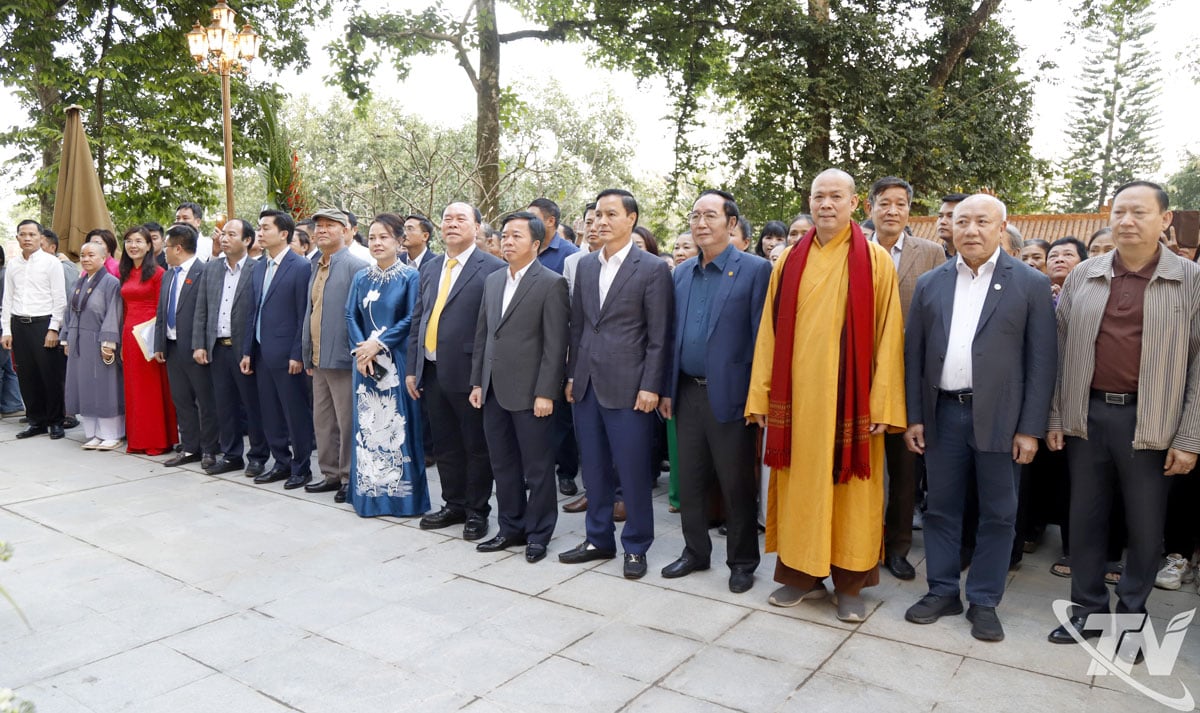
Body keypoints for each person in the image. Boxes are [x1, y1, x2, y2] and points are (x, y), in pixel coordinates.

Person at [1046, 181, 1200, 656]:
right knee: (1085, 521)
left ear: (1165, 220)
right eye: (1119, 212)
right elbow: (1060, 347)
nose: (1127, 221)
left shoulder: (1190, 280)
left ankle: (1131, 622)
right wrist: (1055, 416)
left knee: (1145, 528)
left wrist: (1189, 435)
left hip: (1152, 420)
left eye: (1139, 212)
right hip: (1088, 415)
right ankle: (1087, 612)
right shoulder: (1085, 275)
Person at [746, 169, 906, 622]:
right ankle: (801, 576)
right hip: (797, 402)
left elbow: (889, 337)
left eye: (837, 196)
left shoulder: (875, 261)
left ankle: (850, 583)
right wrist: (761, 396)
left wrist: (883, 403)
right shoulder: (788, 260)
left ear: (854, 204)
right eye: (819, 196)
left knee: (851, 494)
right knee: (800, 490)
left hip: (851, 403)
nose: (826, 204)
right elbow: (768, 336)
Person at [902, 194, 1056, 642]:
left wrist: (1030, 428)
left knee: (999, 513)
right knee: (941, 509)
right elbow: (913, 357)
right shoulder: (932, 283)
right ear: (948, 227)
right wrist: (915, 417)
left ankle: (985, 600)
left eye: (981, 221)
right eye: (962, 221)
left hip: (1002, 420)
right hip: (943, 414)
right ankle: (943, 590)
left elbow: (1042, 361)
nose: (970, 229)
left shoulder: (1028, 283)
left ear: (1002, 227)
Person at [659, 189, 771, 593]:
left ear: (731, 224)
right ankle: (695, 551)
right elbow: (672, 336)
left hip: (733, 396)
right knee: (689, 478)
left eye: (710, 215)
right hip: (686, 391)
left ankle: (742, 561)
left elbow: (763, 338)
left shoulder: (755, 270)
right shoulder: (682, 272)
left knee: (736, 483)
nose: (700, 223)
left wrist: (759, 396)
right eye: (695, 216)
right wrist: (667, 387)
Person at [560, 188, 673, 580]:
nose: (601, 222)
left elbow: (659, 335)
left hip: (631, 387)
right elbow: (578, 328)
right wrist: (572, 375)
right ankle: (598, 539)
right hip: (587, 384)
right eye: (597, 215)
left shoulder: (653, 268)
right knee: (592, 469)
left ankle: (637, 545)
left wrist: (651, 385)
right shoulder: (586, 266)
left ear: (631, 219)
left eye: (611, 214)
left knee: (633, 470)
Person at [469, 211, 570, 562]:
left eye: (517, 236)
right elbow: (484, 336)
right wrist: (478, 381)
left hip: (531, 393)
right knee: (503, 463)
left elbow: (555, 345)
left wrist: (546, 392)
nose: (507, 242)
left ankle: (539, 533)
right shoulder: (494, 280)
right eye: (505, 236)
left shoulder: (551, 283)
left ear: (537, 244)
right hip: (493, 389)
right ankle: (510, 527)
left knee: (538, 468)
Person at [406, 202, 505, 540]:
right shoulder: (431, 267)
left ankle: (477, 511)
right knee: (446, 444)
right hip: (433, 370)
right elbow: (419, 317)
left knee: (475, 446)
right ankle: (454, 503)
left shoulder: (492, 267)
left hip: (470, 372)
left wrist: (482, 376)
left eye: (461, 218)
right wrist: (412, 367)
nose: (452, 224)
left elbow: (494, 328)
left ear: (477, 227)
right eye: (447, 218)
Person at [865, 176, 947, 581]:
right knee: (859, 466)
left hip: (908, 377)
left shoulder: (931, 253)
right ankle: (862, 543)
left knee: (903, 469)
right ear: (870, 209)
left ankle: (897, 548)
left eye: (900, 204)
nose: (892, 210)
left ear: (909, 211)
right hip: (859, 378)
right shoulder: (853, 249)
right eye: (884, 203)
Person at [347, 213, 429, 517]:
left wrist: (378, 344)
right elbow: (349, 316)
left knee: (398, 427)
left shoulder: (410, 276)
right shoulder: (360, 277)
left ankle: (402, 498)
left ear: (399, 241)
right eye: (372, 237)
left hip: (395, 363)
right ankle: (369, 495)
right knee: (367, 427)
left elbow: (411, 318)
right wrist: (361, 351)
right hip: (364, 365)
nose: (377, 243)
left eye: (384, 237)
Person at [241, 210, 315, 490]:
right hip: (261, 352)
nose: (260, 233)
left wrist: (298, 353)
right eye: (259, 228)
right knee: (269, 411)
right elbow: (253, 311)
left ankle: (301, 467)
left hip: (288, 355)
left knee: (294, 412)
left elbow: (303, 314)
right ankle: (280, 462)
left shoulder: (300, 266)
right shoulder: (259, 266)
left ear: (284, 234)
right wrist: (248, 350)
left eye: (266, 228)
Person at [192, 218, 268, 475]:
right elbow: (201, 309)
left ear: (247, 240)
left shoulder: (259, 269)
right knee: (224, 405)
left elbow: (259, 313)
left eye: (231, 234)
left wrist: (252, 349)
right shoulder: (211, 269)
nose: (224, 238)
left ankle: (257, 456)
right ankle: (232, 454)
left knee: (253, 405)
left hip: (245, 349)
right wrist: (200, 344)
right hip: (217, 347)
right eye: (223, 234)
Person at [302, 209, 369, 501]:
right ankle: (329, 474)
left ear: (346, 231)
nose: (322, 231)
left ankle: (348, 478)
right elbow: (311, 311)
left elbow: (364, 316)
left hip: (344, 358)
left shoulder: (356, 266)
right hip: (318, 358)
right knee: (323, 421)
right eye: (319, 227)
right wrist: (306, 352)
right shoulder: (316, 266)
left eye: (330, 226)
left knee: (347, 421)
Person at [154, 223, 218, 469]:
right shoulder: (169, 274)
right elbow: (162, 311)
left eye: (167, 246)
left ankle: (210, 449)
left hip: (195, 348)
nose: (164, 251)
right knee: (181, 400)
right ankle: (190, 447)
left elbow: (209, 313)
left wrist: (201, 345)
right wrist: (160, 342)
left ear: (178, 248)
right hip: (171, 347)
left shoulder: (205, 271)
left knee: (205, 401)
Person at [531, 199, 582, 498]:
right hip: (526, 346)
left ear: (550, 221)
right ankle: (536, 470)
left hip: (559, 347)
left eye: (534, 216)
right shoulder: (527, 250)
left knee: (561, 415)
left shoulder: (570, 256)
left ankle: (566, 472)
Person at [2, 220, 67, 439]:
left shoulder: (51, 263)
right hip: (19, 325)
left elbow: (60, 299)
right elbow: (8, 298)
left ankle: (56, 421)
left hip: (44, 324)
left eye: (32, 234)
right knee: (27, 376)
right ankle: (35, 420)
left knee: (50, 375)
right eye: (23, 234)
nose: (27, 238)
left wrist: (54, 328)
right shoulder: (13, 264)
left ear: (40, 237)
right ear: (18, 237)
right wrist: (6, 330)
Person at [118, 226, 177, 456]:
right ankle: (138, 438)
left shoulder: (158, 273)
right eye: (129, 241)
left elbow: (162, 308)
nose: (133, 245)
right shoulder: (124, 272)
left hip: (148, 335)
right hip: (128, 334)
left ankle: (157, 439)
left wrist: (157, 339)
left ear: (149, 245)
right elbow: (123, 307)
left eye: (139, 241)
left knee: (152, 389)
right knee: (133, 389)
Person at [61, 242, 124, 450]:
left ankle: (112, 433)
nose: (86, 259)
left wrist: (108, 341)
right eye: (83, 255)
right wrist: (67, 337)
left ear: (104, 258)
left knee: (105, 387)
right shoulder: (79, 282)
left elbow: (113, 312)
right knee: (84, 385)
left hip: (100, 340)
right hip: (79, 341)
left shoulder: (111, 282)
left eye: (91, 255)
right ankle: (94, 433)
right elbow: (68, 312)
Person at [0, 246, 25, 417]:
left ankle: (13, 404)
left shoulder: (4, 275)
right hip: (6, 325)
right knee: (7, 366)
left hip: (4, 324)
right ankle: (13, 404)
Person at [528, 198, 579, 274]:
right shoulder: (524, 247)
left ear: (551, 221)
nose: (527, 223)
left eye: (532, 218)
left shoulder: (571, 253)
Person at [1046, 236, 1087, 301]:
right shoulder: (1036, 294)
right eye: (1053, 256)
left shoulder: (1092, 293)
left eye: (1068, 254)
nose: (1059, 260)